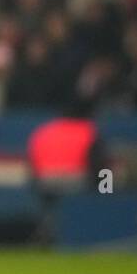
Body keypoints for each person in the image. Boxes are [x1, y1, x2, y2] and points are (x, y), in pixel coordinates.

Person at [26, 98, 108, 245]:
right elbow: (100, 165)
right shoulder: (88, 130)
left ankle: (47, 233)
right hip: (76, 181)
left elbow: (32, 163)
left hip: (46, 181)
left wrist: (36, 183)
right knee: (81, 209)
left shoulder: (45, 130)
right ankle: (80, 234)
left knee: (52, 211)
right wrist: (106, 192)